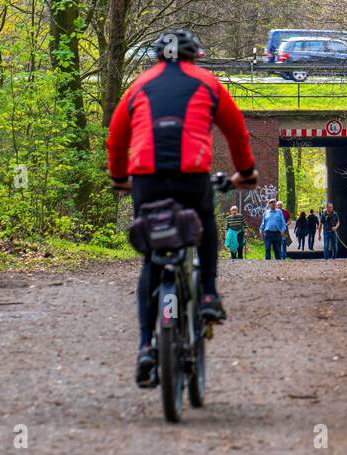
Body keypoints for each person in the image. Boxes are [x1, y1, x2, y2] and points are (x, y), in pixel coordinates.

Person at [107, 28, 257, 388]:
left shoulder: (138, 86)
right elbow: (237, 133)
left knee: (151, 260)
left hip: (147, 178)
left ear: (159, 57)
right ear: (194, 57)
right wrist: (246, 172)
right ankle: (207, 293)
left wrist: (119, 178)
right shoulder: (208, 83)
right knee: (204, 222)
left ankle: (146, 346)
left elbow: (116, 138)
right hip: (191, 176)